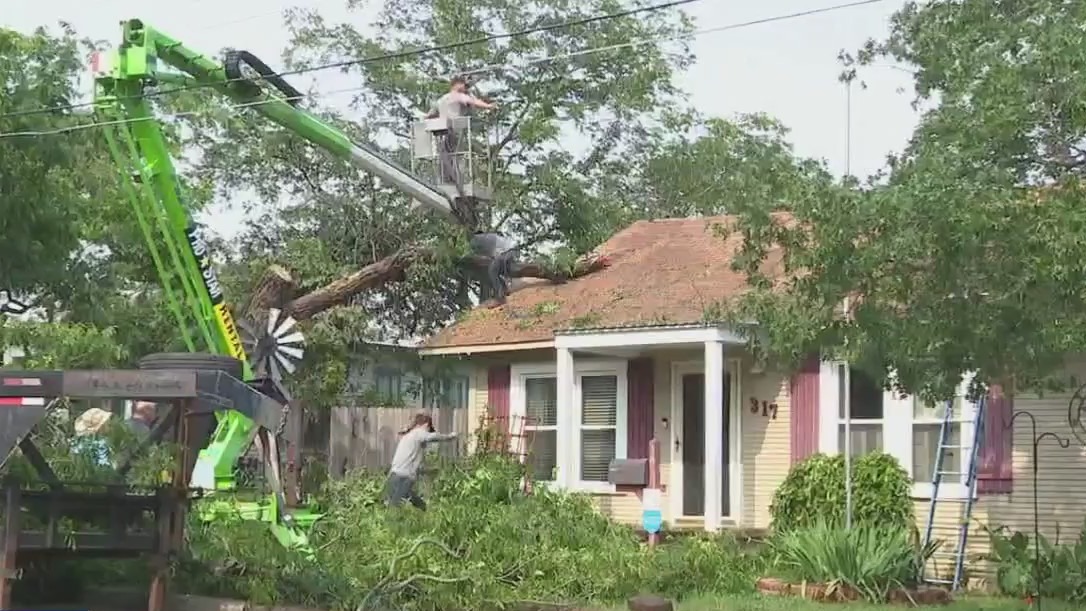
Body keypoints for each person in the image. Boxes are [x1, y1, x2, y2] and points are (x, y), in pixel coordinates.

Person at [425, 76, 497, 188]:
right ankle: (454, 179)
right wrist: (488, 106)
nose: (465, 88)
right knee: (453, 155)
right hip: (453, 129)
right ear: (457, 84)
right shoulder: (457, 96)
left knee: (445, 155)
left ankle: (446, 179)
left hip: (440, 131)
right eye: (463, 85)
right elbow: (473, 101)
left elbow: (430, 114)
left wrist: (425, 120)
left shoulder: (442, 99)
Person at [387, 413, 458, 510]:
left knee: (406, 499)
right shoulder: (419, 432)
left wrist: (428, 471)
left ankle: (425, 512)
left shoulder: (409, 436)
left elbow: (411, 464)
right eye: (429, 429)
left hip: (394, 475)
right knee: (395, 506)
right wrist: (450, 437)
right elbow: (432, 437)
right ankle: (423, 513)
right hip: (403, 477)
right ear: (426, 425)